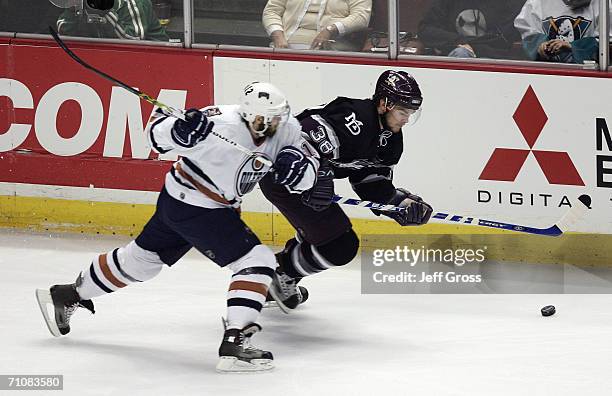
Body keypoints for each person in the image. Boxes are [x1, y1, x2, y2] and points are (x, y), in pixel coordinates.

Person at [35, 82, 321, 373]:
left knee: (141, 262)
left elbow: (309, 170)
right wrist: (178, 131)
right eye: (263, 120)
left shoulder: (288, 130)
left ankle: (68, 293)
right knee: (257, 262)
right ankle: (236, 342)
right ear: (247, 115)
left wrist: (300, 170)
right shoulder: (218, 121)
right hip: (194, 204)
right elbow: (155, 137)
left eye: (276, 118)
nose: (270, 125)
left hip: (190, 204)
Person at [261, 70, 433, 312]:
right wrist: (317, 173)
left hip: (310, 186)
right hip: (285, 177)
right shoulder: (356, 117)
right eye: (402, 112)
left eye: (410, 114)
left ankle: (279, 275)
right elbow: (301, 133)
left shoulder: (392, 141)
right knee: (339, 246)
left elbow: (370, 182)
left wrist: (399, 205)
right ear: (384, 104)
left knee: (330, 237)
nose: (406, 120)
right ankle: (277, 276)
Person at [418, 0, 524, 59]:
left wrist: (474, 48)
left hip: (496, 59)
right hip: (456, 55)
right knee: (461, 54)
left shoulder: (510, 3)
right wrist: (458, 42)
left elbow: (504, 37)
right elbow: (425, 30)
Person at [514, 0, 606, 64]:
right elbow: (527, 32)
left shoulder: (604, 4)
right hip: (548, 73)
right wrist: (540, 44)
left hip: (587, 77)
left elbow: (607, 45)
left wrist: (573, 47)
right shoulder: (537, 3)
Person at [262, 0, 372, 51]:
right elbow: (272, 11)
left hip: (333, 52)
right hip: (285, 49)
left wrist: (330, 30)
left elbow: (361, 16)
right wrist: (277, 36)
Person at [57, 0, 170, 41]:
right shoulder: (81, 3)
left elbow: (134, 40)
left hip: (151, 60)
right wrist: (73, 10)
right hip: (100, 56)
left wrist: (105, 12)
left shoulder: (134, 3)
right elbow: (63, 31)